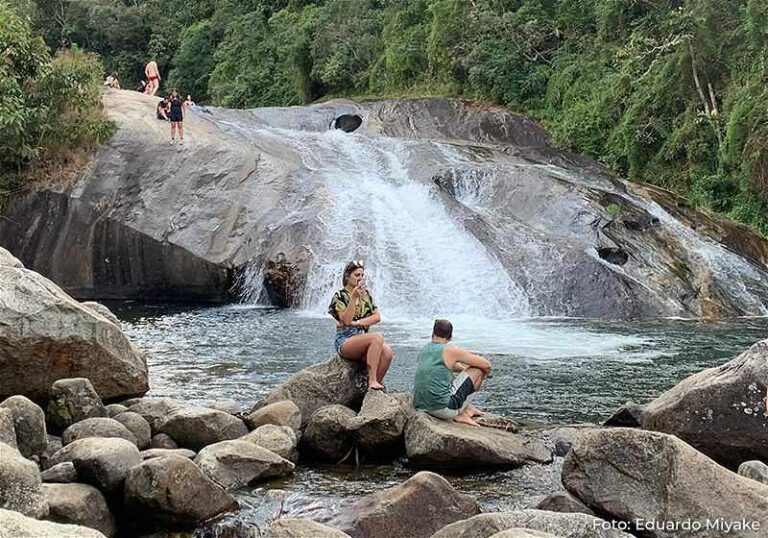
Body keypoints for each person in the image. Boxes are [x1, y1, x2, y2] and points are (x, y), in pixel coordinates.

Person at [328, 260, 394, 391]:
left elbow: (377, 317)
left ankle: (373, 389)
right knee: (377, 337)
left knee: (387, 352)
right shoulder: (339, 296)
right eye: (357, 275)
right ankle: (372, 380)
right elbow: (346, 320)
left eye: (362, 275)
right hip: (345, 342)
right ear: (348, 276)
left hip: (362, 339)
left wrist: (357, 323)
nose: (360, 278)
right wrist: (353, 298)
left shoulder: (366, 295)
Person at [413, 319, 491, 426]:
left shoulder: (425, 349)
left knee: (445, 374)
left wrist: (465, 373)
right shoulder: (451, 351)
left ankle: (468, 407)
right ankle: (463, 413)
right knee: (478, 370)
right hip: (443, 409)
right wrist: (481, 376)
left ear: (432, 334)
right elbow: (486, 365)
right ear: (450, 337)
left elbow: (449, 366)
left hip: (420, 405)